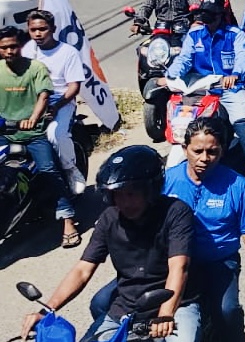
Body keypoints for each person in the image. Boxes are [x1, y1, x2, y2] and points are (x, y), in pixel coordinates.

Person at [19, 146, 200, 342]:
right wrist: (47, 310)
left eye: (131, 194)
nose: (124, 202)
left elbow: (179, 268)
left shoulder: (176, 212)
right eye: (118, 194)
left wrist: (165, 313)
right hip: (128, 305)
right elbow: (82, 270)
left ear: (151, 190)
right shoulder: (109, 218)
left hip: (174, 302)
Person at [163, 117, 245, 341]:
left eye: (212, 152)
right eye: (197, 151)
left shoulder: (237, 185)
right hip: (175, 263)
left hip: (220, 263)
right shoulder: (167, 181)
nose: (205, 158)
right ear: (185, 149)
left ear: (221, 151)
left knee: (227, 312)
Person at [163, 0, 245, 185]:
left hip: (230, 88)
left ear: (219, 15)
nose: (206, 19)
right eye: (203, 14)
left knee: (242, 126)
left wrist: (235, 74)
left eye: (210, 15)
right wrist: (170, 75)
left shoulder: (234, 34)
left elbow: (242, 56)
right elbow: (184, 59)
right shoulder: (194, 34)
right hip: (202, 89)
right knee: (185, 122)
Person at [0, 26, 79, 247]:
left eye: (13, 46)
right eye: (4, 48)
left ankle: (67, 220)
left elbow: (44, 96)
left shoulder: (35, 68)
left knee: (48, 170)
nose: (9, 51)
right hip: (4, 133)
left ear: (20, 46)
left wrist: (33, 118)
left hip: (32, 133)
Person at [22, 11, 88, 196]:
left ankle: (71, 170)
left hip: (60, 100)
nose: (38, 34)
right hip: (31, 100)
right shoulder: (27, 50)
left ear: (53, 29)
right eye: (33, 29)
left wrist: (56, 106)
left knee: (55, 134)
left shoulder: (68, 52)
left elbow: (74, 86)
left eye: (42, 29)